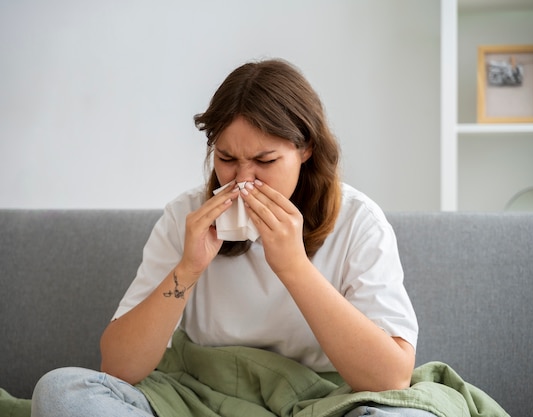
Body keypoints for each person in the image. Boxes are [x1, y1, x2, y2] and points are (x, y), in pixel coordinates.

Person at [31, 59, 436, 417]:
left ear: (306, 147)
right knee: (61, 391)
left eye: (265, 161)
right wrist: (188, 268)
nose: (243, 180)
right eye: (227, 159)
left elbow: (391, 377)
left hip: (323, 400)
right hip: (200, 397)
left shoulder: (358, 221)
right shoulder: (185, 216)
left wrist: (294, 267)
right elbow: (118, 366)